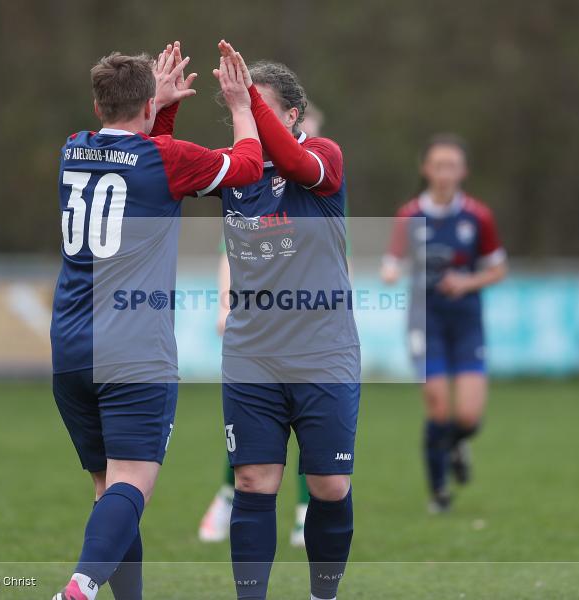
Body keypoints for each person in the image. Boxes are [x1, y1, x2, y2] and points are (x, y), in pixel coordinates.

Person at [50, 44, 263, 600]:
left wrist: (157, 109)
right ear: (146, 105)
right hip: (134, 347)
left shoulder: (74, 149)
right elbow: (244, 168)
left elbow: (141, 156)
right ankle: (79, 585)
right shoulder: (166, 161)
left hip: (71, 346)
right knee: (132, 487)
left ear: (98, 105)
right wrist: (241, 106)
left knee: (109, 494)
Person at [215, 41, 359, 600]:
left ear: (294, 115)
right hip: (253, 353)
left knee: (327, 485)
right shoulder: (235, 173)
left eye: (263, 110)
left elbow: (297, 165)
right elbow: (162, 164)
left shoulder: (322, 155)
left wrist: (245, 96)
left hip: (324, 351)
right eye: (242, 111)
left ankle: (323, 594)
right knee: (254, 482)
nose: (248, 120)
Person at [197, 101, 327, 549]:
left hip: (307, 331)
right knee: (256, 430)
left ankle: (305, 513)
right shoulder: (250, 185)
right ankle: (227, 494)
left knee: (309, 427)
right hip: (257, 329)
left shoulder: (317, 184)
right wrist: (223, 304)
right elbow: (227, 253)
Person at [381, 134, 507, 513]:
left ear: (463, 171)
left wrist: (466, 282)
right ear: (426, 169)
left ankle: (456, 444)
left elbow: (498, 269)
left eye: (452, 165)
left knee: (468, 416)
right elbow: (392, 260)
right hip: (425, 322)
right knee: (438, 409)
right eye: (438, 165)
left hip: (466, 321)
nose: (445, 173)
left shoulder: (477, 216)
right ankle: (438, 492)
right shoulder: (408, 216)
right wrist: (390, 271)